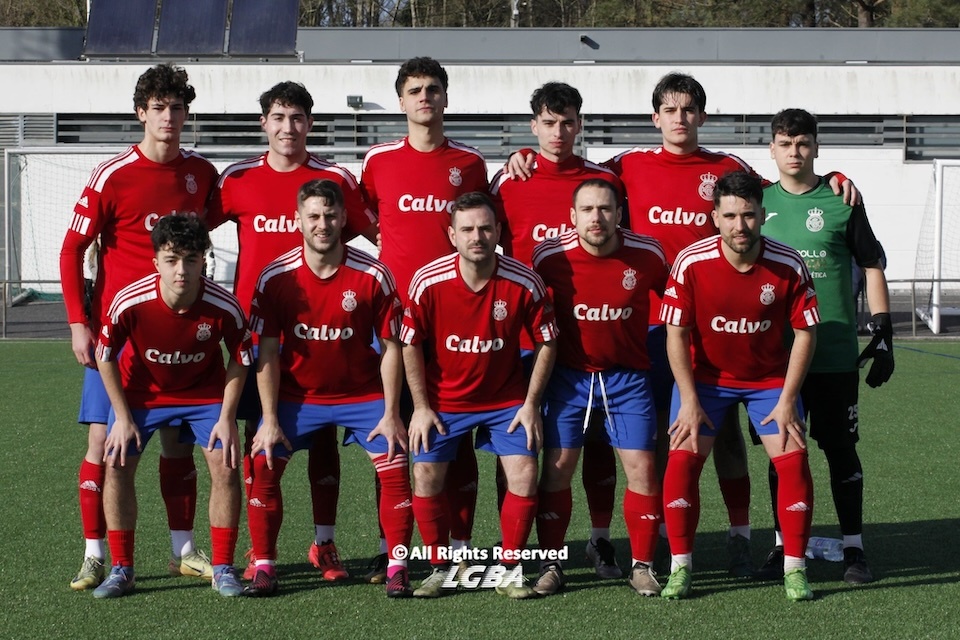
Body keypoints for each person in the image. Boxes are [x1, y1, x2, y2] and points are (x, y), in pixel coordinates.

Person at [509, 72, 855, 576]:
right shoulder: (626, 166)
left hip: (714, 333)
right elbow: (568, 165)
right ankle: (647, 542)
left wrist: (831, 180)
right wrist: (525, 154)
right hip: (648, 331)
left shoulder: (728, 167)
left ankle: (738, 535)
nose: (679, 119)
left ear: (702, 116)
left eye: (688, 110)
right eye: (670, 110)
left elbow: (783, 189)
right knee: (647, 440)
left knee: (726, 437)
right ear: (655, 118)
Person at [206, 80, 377, 582]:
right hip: (257, 336)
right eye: (279, 118)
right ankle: (260, 554)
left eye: (298, 118)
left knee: (324, 440)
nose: (288, 127)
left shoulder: (335, 179)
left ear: (310, 123)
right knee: (260, 441)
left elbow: (380, 234)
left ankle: (325, 544)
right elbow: (190, 234)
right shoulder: (237, 178)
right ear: (264, 123)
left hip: (326, 335)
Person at [59, 63, 218, 590]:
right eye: (158, 108)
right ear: (140, 114)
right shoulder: (113, 174)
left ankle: (183, 551)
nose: (169, 117)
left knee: (177, 445)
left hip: (179, 337)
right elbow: (72, 249)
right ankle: (94, 554)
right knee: (104, 445)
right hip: (117, 337)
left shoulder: (202, 174)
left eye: (177, 108)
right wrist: (78, 323)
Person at [243, 180, 413, 598]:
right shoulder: (276, 276)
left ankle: (397, 565)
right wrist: (268, 419)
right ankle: (264, 565)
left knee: (395, 461)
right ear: (298, 220)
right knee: (263, 462)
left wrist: (391, 413)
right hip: (297, 397)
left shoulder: (373, 273)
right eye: (314, 216)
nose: (323, 224)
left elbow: (391, 348)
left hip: (361, 394)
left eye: (331, 215)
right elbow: (267, 353)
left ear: (344, 219)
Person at [658, 171, 819, 601]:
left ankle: (795, 569)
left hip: (769, 381)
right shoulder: (691, 261)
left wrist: (788, 399)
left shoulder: (788, 263)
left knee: (793, 459)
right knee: (681, 460)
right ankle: (680, 567)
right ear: (715, 217)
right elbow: (676, 333)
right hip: (706, 380)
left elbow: (805, 333)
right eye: (729, 216)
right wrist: (688, 399)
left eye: (748, 215)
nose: (739, 225)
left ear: (763, 215)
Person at [359, 56, 489, 581]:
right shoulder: (378, 160)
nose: (424, 98)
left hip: (455, 322)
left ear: (445, 97)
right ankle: (393, 549)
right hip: (394, 323)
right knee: (392, 434)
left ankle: (459, 547)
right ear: (401, 101)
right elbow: (365, 216)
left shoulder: (470, 163)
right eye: (414, 90)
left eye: (433, 89)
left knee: (455, 436)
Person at [490, 82, 626, 578]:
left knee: (595, 444)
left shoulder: (603, 180)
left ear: (580, 125)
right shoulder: (509, 180)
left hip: (590, 338)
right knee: (518, 444)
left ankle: (600, 539)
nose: (558, 132)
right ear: (533, 127)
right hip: (522, 340)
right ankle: (517, 547)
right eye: (548, 123)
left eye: (568, 122)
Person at [756, 108, 892, 585]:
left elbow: (871, 263)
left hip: (833, 354)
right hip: (776, 359)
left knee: (840, 451)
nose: (794, 152)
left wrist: (883, 330)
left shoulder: (842, 199)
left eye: (803, 143)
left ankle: (855, 549)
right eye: (785, 143)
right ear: (771, 148)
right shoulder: (757, 201)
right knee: (783, 453)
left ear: (816, 147)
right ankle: (782, 546)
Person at [401, 192, 558, 600]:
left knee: (524, 473)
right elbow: (409, 343)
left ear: (498, 232)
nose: (477, 237)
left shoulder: (523, 281)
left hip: (505, 400)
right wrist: (420, 407)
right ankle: (441, 568)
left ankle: (510, 569)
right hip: (444, 401)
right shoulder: (428, 281)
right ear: (452, 235)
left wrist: (531, 404)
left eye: (486, 228)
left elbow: (547, 341)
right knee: (425, 474)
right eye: (467, 229)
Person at [92, 215, 251, 599]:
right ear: (156, 262)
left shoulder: (224, 305)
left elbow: (241, 358)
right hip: (142, 395)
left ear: (203, 261)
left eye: (191, 259)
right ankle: (122, 568)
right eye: (172, 259)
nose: (182, 270)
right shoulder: (130, 301)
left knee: (227, 463)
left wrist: (227, 417)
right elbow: (104, 355)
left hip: (203, 395)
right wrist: (122, 417)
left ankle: (223, 568)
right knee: (116, 463)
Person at [530, 179, 667, 597]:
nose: (597, 217)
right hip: (569, 378)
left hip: (628, 378)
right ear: (572, 216)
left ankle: (642, 566)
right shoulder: (548, 257)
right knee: (557, 469)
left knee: (642, 469)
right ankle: (551, 564)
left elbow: (681, 306)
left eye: (605, 209)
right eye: (587, 210)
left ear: (619, 214)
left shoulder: (648, 254)